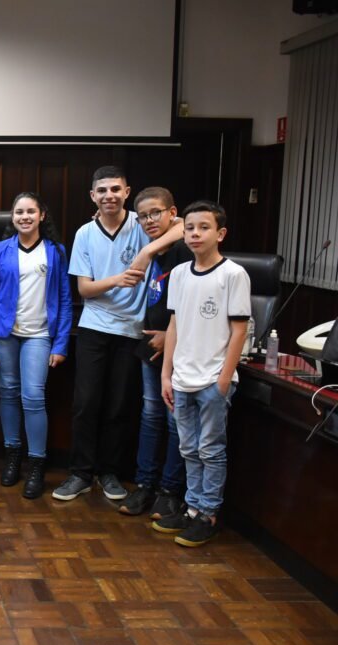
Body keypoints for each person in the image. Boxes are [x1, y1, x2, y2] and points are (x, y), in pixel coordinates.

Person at [53, 166, 183, 502]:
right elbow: (85, 289)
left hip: (132, 330)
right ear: (92, 196)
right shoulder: (85, 233)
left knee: (119, 405)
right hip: (94, 326)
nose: (109, 195)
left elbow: (182, 225)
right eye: (102, 190)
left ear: (126, 192)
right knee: (86, 403)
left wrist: (146, 251)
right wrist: (118, 279)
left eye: (115, 189)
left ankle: (108, 472)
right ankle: (80, 473)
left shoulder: (143, 223)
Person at [154, 201, 250, 547]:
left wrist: (224, 380)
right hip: (181, 378)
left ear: (220, 234)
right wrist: (166, 375)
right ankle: (192, 508)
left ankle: (208, 514)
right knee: (189, 448)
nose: (195, 234)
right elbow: (174, 325)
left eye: (204, 227)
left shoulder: (233, 274)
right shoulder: (180, 273)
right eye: (190, 228)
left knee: (210, 449)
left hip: (212, 381)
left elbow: (239, 331)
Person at [0, 193, 73, 498]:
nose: (25, 217)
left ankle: (36, 463)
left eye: (31, 211)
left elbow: (65, 299)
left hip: (39, 335)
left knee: (33, 396)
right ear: (13, 216)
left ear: (41, 215)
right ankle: (12, 455)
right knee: (8, 393)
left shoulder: (56, 251)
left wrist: (60, 345)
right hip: (6, 335)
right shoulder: (0, 250)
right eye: (19, 212)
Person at [118, 187, 192, 519]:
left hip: (179, 348)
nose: (149, 220)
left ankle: (170, 491)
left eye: (156, 213)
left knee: (175, 422)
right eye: (143, 216)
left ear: (172, 213)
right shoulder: (157, 250)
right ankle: (145, 484)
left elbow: (191, 305)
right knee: (150, 417)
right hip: (150, 346)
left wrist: (170, 336)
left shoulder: (184, 249)